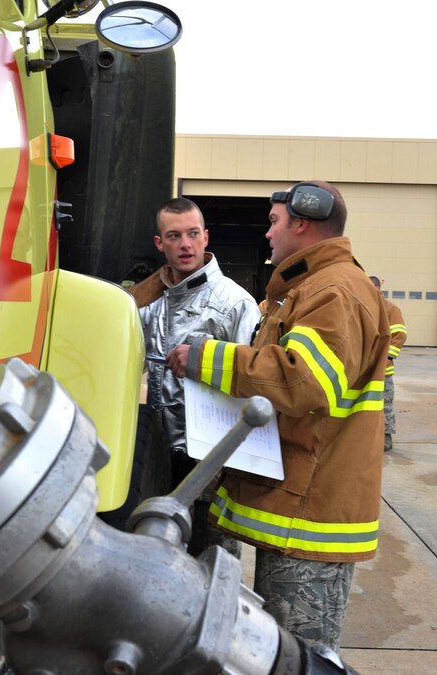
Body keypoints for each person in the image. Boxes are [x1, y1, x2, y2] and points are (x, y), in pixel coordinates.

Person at [167, 181, 390, 652]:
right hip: (300, 505)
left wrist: (209, 359)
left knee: (302, 655)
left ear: (303, 223)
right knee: (279, 652)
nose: (268, 235)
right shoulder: (313, 287)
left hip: (314, 513)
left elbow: (305, 380)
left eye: (274, 222)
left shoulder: (336, 290)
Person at [129, 197, 259, 556]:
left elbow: (249, 384)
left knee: (208, 557)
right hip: (154, 456)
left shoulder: (236, 303)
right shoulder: (149, 303)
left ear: (206, 237)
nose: (185, 244)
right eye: (174, 236)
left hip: (211, 464)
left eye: (192, 233)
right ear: (160, 243)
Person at [369, 276, 407, 452]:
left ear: (378, 288)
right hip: (362, 369)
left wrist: (386, 358)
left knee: (385, 404)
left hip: (383, 370)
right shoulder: (360, 305)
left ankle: (386, 436)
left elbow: (399, 335)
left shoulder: (390, 309)